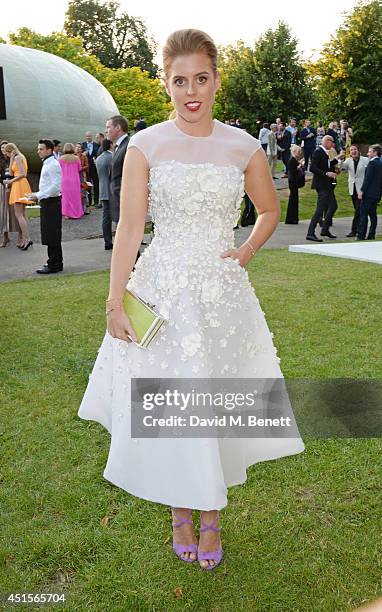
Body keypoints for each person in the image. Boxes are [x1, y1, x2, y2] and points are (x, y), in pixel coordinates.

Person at [78, 28, 304, 572]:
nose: (191, 90)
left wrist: (245, 250)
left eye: (201, 78)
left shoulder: (242, 146)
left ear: (216, 79)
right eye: (180, 81)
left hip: (220, 295)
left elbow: (269, 210)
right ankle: (183, 511)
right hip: (161, 291)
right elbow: (130, 227)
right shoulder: (146, 145)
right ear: (167, 84)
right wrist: (115, 302)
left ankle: (211, 517)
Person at [26, 139, 63, 274]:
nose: (38, 151)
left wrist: (38, 195)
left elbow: (55, 187)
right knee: (49, 234)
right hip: (48, 202)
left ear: (49, 150)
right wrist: (36, 194)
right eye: (38, 149)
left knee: (52, 234)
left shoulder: (52, 164)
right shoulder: (48, 163)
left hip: (52, 202)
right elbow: (48, 186)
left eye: (41, 149)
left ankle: (54, 264)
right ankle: (55, 262)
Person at [306, 135, 339, 242]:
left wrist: (337, 161)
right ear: (326, 141)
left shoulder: (327, 153)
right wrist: (326, 173)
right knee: (320, 209)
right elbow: (312, 168)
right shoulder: (318, 151)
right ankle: (310, 233)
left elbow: (328, 164)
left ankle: (325, 229)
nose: (333, 144)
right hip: (321, 185)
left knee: (333, 206)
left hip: (328, 185)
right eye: (332, 142)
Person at [3, 142, 33, 250]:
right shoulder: (16, 157)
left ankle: (27, 238)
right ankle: (25, 239)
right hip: (19, 184)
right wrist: (11, 159)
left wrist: (10, 181)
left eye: (6, 153)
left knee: (19, 215)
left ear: (10, 151)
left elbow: (21, 174)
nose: (5, 155)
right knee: (22, 214)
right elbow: (11, 172)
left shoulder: (19, 158)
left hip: (19, 185)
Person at [339, 144, 369, 237]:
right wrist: (341, 159)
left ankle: (355, 230)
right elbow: (341, 168)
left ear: (358, 151)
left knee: (358, 210)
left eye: (355, 149)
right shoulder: (348, 161)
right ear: (350, 153)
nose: (353, 151)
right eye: (351, 150)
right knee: (357, 210)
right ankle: (359, 230)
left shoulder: (365, 160)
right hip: (353, 188)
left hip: (362, 189)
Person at [106, 115, 129, 223]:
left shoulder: (128, 146)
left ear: (118, 127)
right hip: (117, 200)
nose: (106, 131)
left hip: (124, 202)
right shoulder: (119, 147)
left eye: (108, 127)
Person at [356, 144, 382, 241]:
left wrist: (362, 191)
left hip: (368, 193)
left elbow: (367, 179)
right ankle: (371, 234)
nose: (368, 153)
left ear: (375, 152)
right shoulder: (380, 163)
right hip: (376, 193)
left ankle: (361, 234)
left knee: (363, 214)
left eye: (370, 151)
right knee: (373, 214)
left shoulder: (372, 163)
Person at [95, 138, 113, 249]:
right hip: (112, 190)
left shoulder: (99, 158)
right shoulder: (111, 157)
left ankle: (107, 241)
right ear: (110, 145)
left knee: (106, 218)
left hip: (103, 189)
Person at [59, 143, 83, 220]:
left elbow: (59, 170)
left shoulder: (61, 159)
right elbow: (79, 169)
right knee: (75, 197)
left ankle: (66, 214)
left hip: (64, 180)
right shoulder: (76, 158)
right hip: (75, 179)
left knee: (65, 197)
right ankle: (76, 213)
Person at [285, 144, 304, 224]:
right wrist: (299, 167)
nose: (299, 153)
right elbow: (293, 172)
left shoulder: (293, 160)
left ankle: (293, 218)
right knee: (293, 199)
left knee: (294, 200)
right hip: (293, 182)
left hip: (293, 182)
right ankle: (291, 218)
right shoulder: (292, 160)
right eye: (298, 151)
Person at [82, 131, 100, 208]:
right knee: (88, 185)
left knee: (96, 184)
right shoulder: (83, 145)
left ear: (91, 136)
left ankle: (96, 202)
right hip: (86, 169)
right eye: (87, 136)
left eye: (89, 136)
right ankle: (88, 202)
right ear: (85, 137)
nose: (88, 137)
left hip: (94, 168)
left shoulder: (96, 145)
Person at [75, 143, 90, 214]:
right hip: (74, 176)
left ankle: (85, 208)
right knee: (75, 193)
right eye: (77, 147)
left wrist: (80, 168)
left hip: (82, 176)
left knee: (83, 192)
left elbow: (87, 166)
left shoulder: (84, 156)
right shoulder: (73, 157)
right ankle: (77, 209)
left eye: (79, 147)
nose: (78, 149)